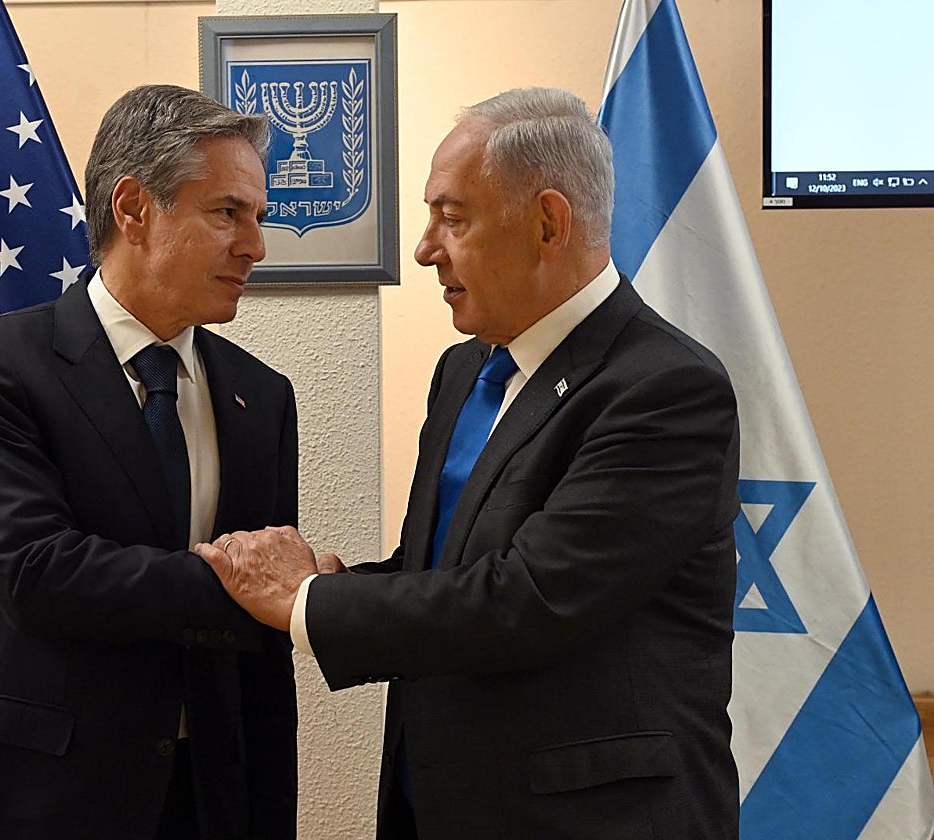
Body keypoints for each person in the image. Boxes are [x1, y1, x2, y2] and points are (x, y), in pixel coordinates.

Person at [197, 87, 740, 840]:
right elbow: (455, 569)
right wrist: (342, 582)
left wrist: (308, 601)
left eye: (453, 218)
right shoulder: (465, 371)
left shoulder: (664, 389)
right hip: (440, 802)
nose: (425, 248)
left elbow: (531, 598)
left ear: (549, 223)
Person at [0, 85, 298, 840]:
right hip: (26, 798)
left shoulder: (260, 398)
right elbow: (37, 572)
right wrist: (249, 582)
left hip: (202, 802)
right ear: (134, 208)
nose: (255, 246)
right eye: (227, 213)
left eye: (258, 218)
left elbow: (258, 655)